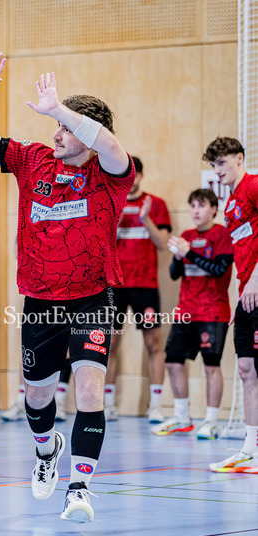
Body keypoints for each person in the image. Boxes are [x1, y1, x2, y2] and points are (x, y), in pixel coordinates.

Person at [0, 54, 135, 521]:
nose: (56, 133)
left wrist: (60, 108)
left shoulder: (111, 174)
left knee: (89, 391)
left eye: (65, 127)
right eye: (56, 126)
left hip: (92, 297)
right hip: (41, 299)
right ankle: (46, 450)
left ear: (86, 133)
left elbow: (110, 145)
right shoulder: (33, 160)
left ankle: (78, 488)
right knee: (38, 396)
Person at [151, 188, 233, 438]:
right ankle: (181, 417)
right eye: (193, 206)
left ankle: (211, 421)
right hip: (186, 311)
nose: (196, 211)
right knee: (173, 361)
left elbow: (219, 269)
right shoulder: (186, 236)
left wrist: (188, 253)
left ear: (214, 209)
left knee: (211, 366)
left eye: (202, 205)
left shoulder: (222, 234)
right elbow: (174, 274)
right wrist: (178, 258)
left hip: (213, 312)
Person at [202, 137, 258, 472]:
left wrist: (255, 281)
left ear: (239, 158)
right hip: (247, 297)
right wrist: (242, 293)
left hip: (256, 288)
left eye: (222, 162)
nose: (217, 170)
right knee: (246, 369)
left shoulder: (253, 186)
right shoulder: (231, 203)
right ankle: (250, 450)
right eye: (213, 165)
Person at [104, 156, 171, 423]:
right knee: (109, 343)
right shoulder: (110, 202)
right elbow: (99, 244)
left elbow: (163, 243)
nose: (129, 179)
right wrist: (114, 223)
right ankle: (108, 404)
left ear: (140, 176)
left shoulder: (156, 204)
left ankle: (156, 406)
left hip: (145, 285)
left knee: (154, 344)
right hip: (115, 285)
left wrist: (146, 220)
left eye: (133, 175)